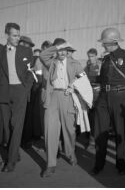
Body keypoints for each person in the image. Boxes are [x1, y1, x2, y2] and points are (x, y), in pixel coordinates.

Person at [91, 28, 125, 175]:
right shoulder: (106, 59)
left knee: (121, 132)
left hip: (121, 98)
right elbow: (101, 79)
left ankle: (121, 164)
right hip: (103, 98)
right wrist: (84, 77)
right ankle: (99, 164)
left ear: (112, 42)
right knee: (100, 132)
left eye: (104, 43)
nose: (102, 45)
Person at [0, 22, 35, 172]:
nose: (17, 38)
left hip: (19, 92)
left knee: (16, 126)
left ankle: (10, 162)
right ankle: (14, 153)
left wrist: (25, 88)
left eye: (18, 35)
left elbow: (31, 72)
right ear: (7, 35)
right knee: (6, 127)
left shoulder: (26, 51)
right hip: (3, 92)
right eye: (14, 35)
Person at [39, 38, 85, 177]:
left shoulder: (75, 64)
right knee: (50, 131)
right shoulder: (51, 63)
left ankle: (71, 154)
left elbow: (83, 80)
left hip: (68, 97)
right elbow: (42, 55)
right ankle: (50, 164)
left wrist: (75, 88)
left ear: (68, 50)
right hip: (52, 97)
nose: (63, 52)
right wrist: (56, 47)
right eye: (60, 50)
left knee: (69, 130)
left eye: (65, 49)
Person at [84, 48, 101, 148]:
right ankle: (91, 139)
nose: (91, 58)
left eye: (92, 56)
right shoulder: (87, 66)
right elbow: (83, 77)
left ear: (96, 55)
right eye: (89, 56)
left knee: (97, 118)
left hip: (98, 93)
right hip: (90, 93)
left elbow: (103, 78)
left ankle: (95, 140)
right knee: (90, 117)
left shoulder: (100, 65)